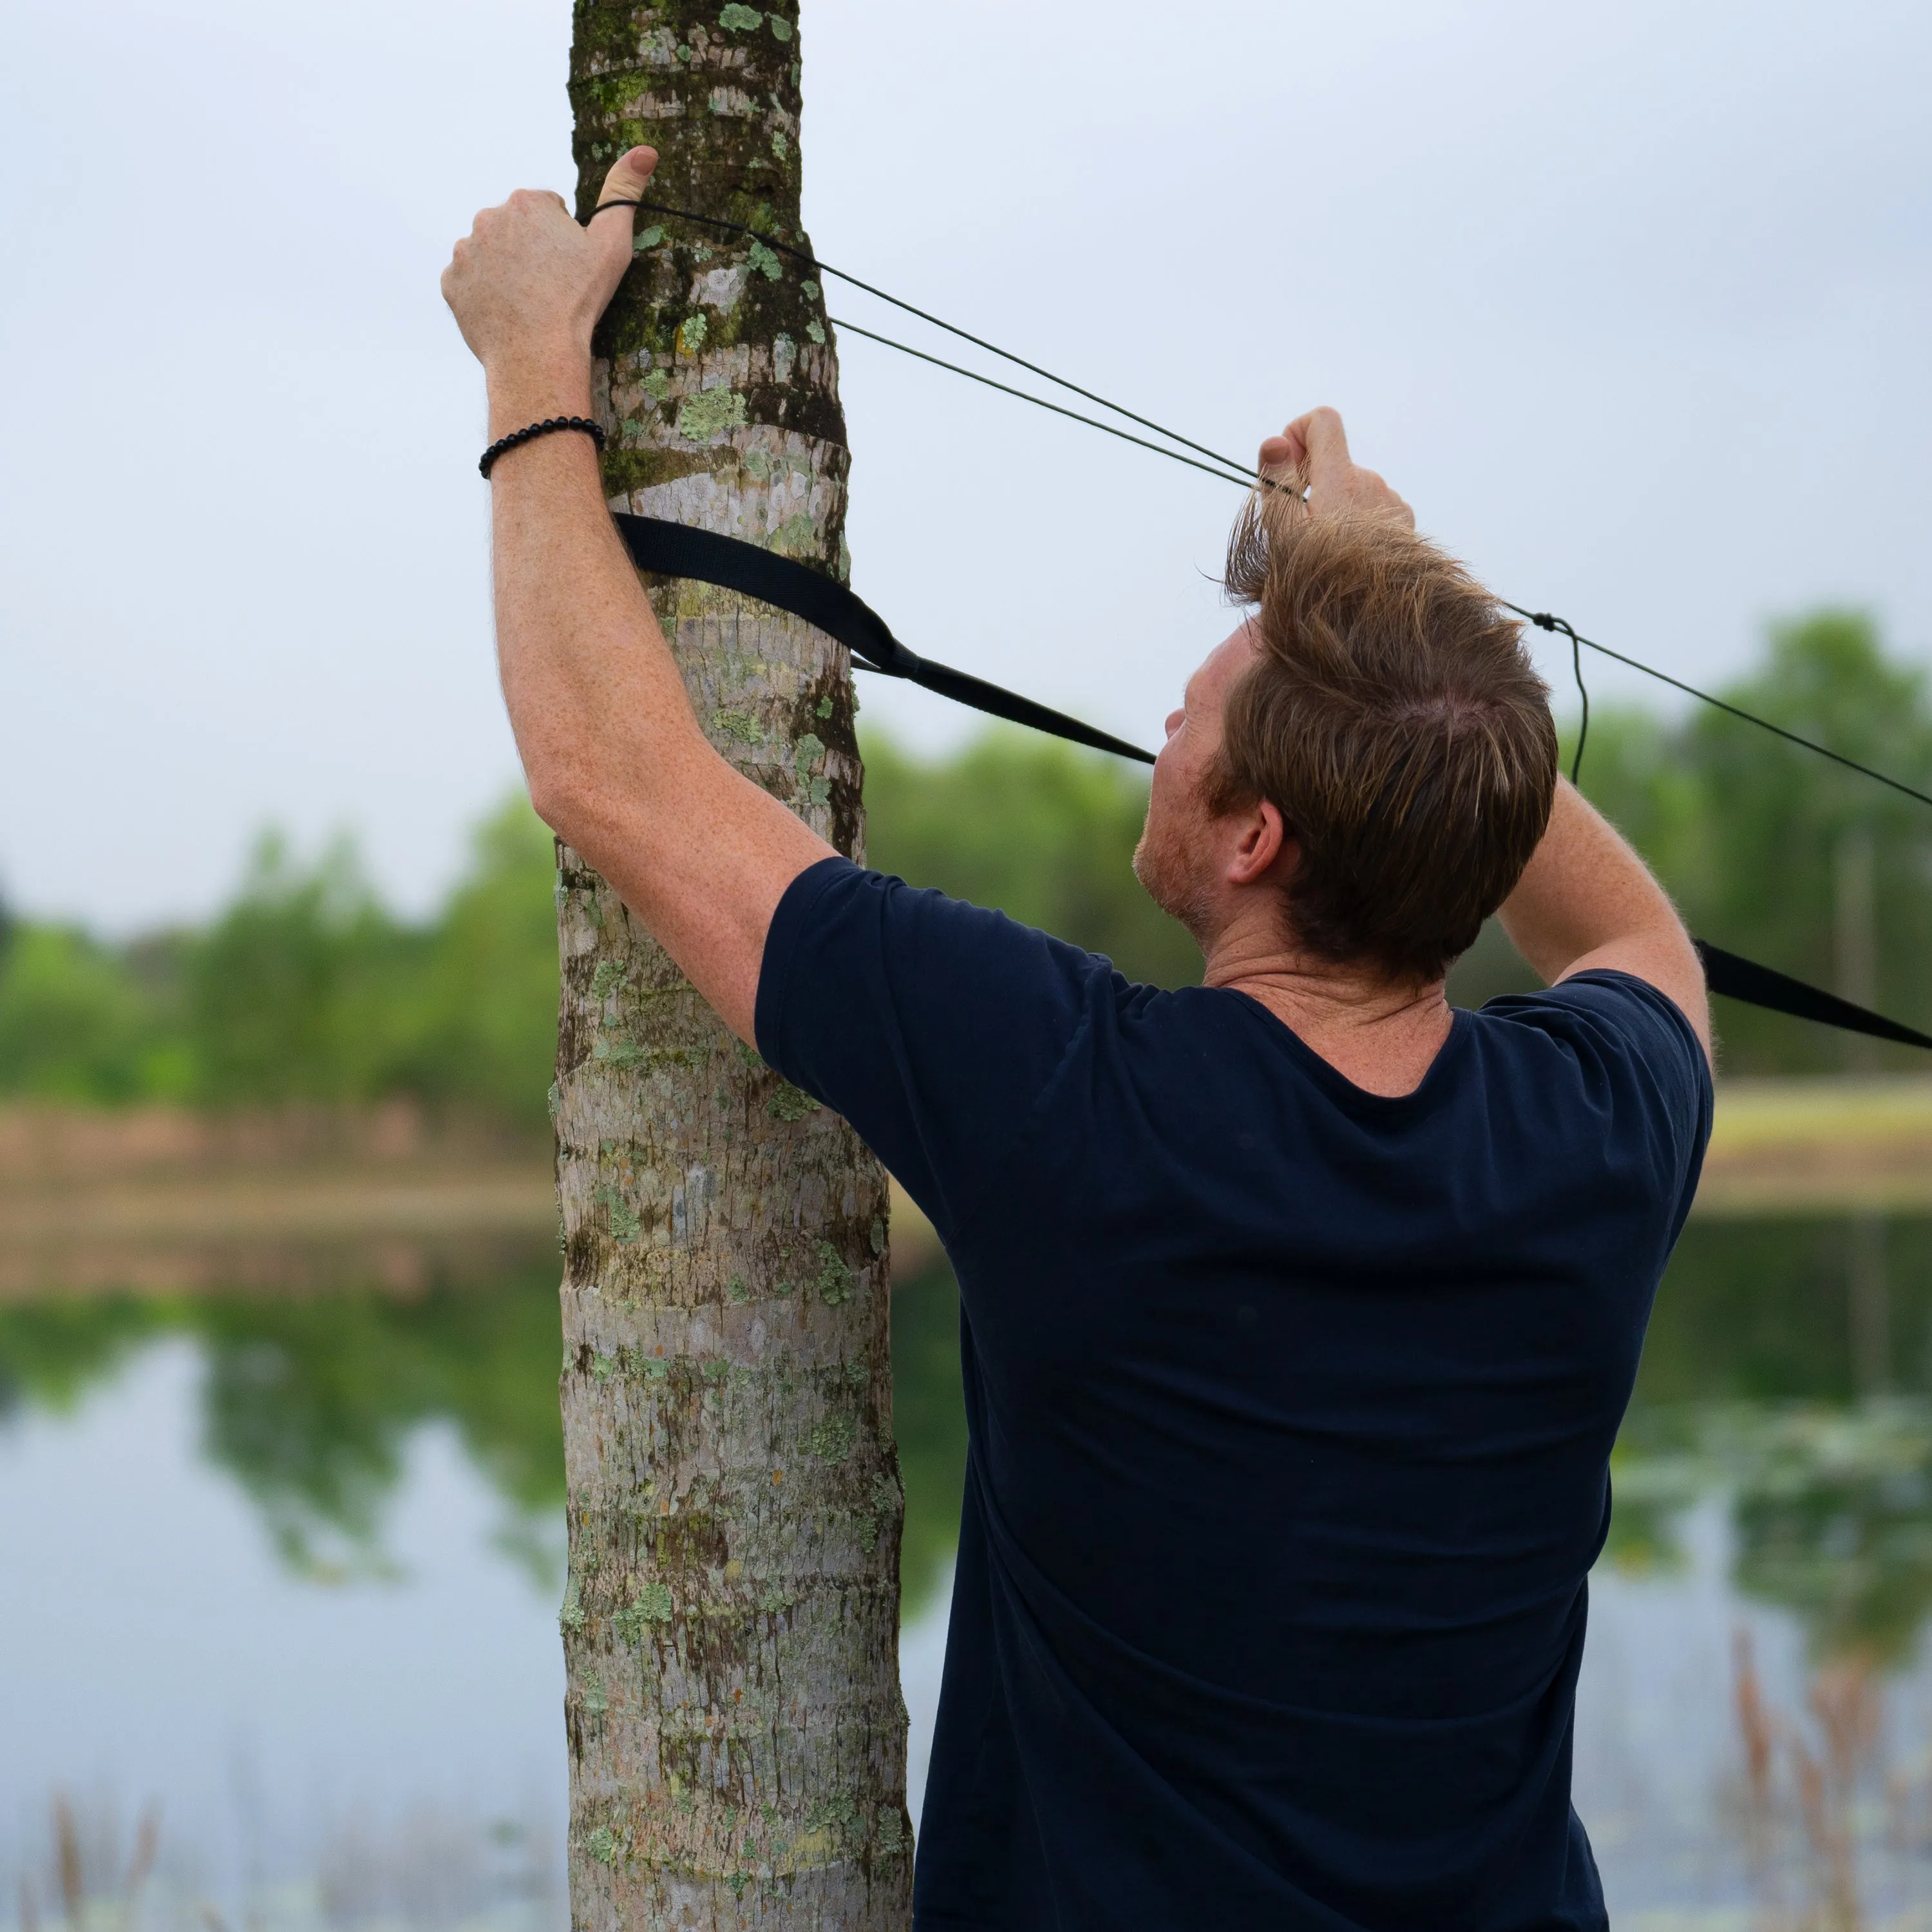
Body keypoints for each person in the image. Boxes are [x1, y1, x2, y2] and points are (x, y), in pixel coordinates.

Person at [444, 147, 1713, 1931]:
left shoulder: (1074, 1102)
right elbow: (1639, 936)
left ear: (1254, 838)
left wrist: (527, 365)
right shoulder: (1598, 1132)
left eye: (1201, 709)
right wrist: (1406, 599)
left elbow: (615, 776)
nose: (1169, 717)